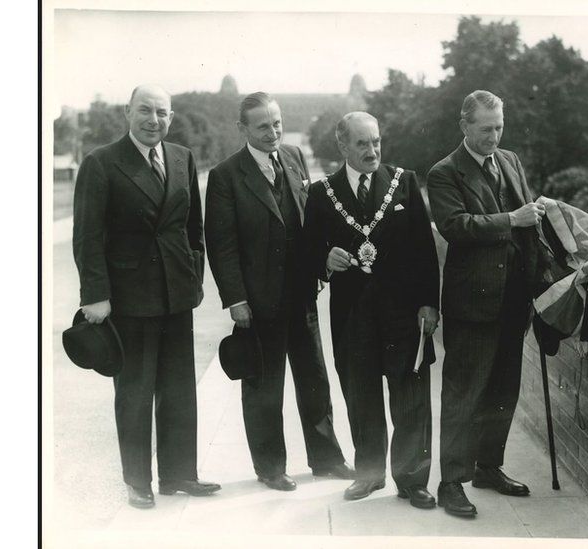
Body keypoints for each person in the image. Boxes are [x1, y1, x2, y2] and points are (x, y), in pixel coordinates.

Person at [72, 84, 221, 509]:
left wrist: (193, 274)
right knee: (135, 391)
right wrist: (95, 295)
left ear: (171, 117)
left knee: (178, 389)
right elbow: (87, 235)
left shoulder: (182, 157)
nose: (154, 120)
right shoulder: (101, 163)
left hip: (176, 294)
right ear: (127, 113)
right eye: (145, 111)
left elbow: (194, 226)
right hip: (128, 297)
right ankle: (138, 481)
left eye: (162, 112)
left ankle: (179, 475)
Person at [205, 92, 352, 491]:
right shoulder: (225, 176)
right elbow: (222, 245)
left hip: (301, 293)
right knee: (264, 388)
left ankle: (326, 459)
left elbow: (310, 222)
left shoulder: (293, 157)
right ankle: (270, 468)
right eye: (262, 126)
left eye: (277, 123)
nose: (273, 132)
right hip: (257, 301)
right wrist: (236, 300)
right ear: (243, 130)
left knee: (315, 379)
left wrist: (320, 264)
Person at [302, 112, 440, 509]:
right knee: (360, 398)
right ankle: (368, 474)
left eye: (376, 141)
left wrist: (430, 303)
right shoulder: (321, 192)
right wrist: (325, 258)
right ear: (342, 146)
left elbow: (425, 251)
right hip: (352, 317)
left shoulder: (404, 182)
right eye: (362, 144)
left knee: (411, 399)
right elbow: (307, 252)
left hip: (403, 314)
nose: (372, 151)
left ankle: (412, 480)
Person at [426, 90, 547, 517]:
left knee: (502, 390)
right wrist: (510, 220)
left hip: (514, 299)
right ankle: (450, 482)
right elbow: (455, 226)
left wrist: (539, 281)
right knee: (464, 393)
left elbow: (530, 220)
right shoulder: (444, 172)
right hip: (472, 303)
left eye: (498, 127)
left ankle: (488, 467)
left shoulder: (510, 161)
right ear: (464, 126)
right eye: (484, 129)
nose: (493, 137)